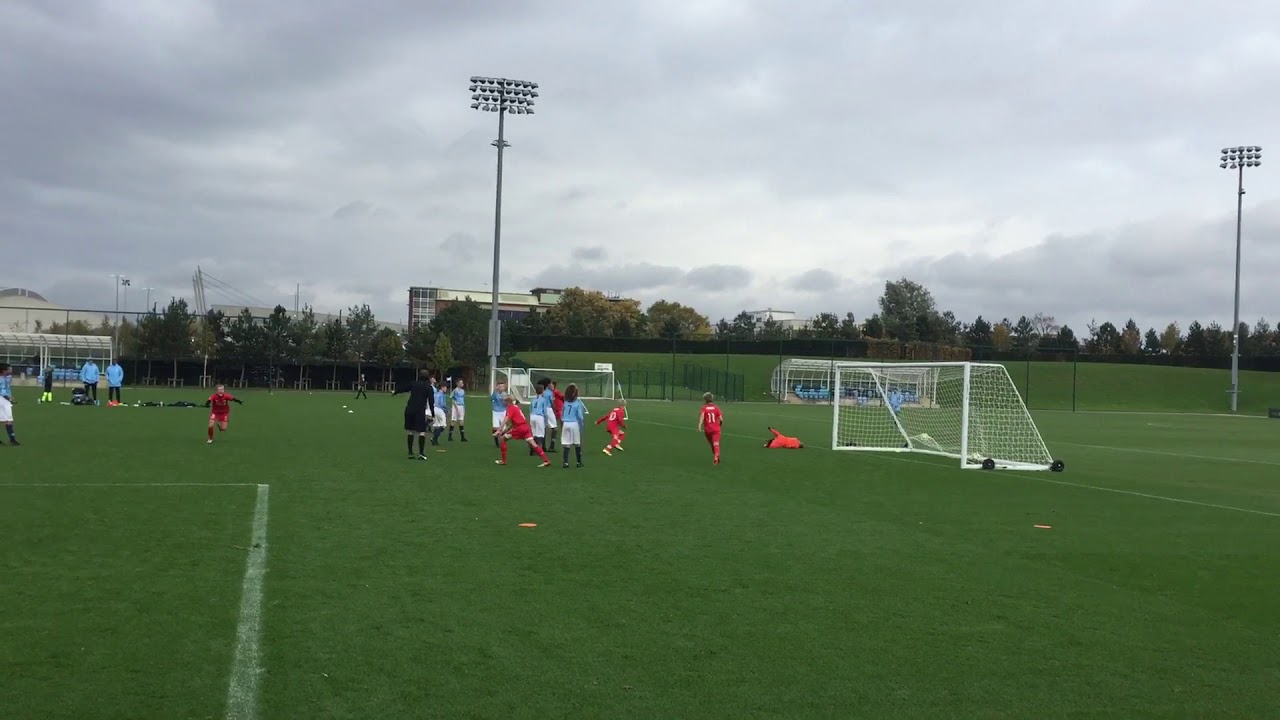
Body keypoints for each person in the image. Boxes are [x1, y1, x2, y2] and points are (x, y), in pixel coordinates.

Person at [493, 394, 551, 467]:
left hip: (519, 428)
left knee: (502, 439)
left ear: (508, 401)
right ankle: (546, 460)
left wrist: (499, 430)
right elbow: (512, 424)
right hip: (526, 427)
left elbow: (506, 419)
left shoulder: (510, 408)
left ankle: (503, 461)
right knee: (533, 444)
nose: (503, 402)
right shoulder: (516, 407)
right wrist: (503, 431)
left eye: (504, 401)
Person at [393, 369, 435, 459]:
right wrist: (433, 413)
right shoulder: (428, 387)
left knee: (411, 431)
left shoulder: (413, 384)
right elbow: (431, 401)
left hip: (409, 410)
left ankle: (410, 452)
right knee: (422, 431)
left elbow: (403, 388)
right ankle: (421, 453)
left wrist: (395, 392)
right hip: (419, 411)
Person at [558, 383, 586, 468]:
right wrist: (582, 426)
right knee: (577, 443)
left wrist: (562, 424)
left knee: (566, 444)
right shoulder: (578, 404)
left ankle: (565, 463)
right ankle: (578, 462)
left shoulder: (565, 403)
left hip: (566, 423)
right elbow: (580, 417)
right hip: (574, 424)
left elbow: (562, 415)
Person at [697, 392, 723, 465]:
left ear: (705, 400)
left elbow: (702, 417)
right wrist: (720, 425)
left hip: (708, 430)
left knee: (712, 444)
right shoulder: (717, 408)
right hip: (716, 429)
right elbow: (721, 419)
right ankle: (716, 456)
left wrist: (699, 426)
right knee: (716, 444)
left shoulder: (704, 408)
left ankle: (716, 456)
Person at [0, 363, 18, 446]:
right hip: (3, 400)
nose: (10, 370)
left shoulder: (4, 378)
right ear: (3, 371)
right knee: (9, 420)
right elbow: (3, 391)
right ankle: (12, 440)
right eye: (9, 369)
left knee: (2, 419)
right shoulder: (2, 380)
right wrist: (9, 398)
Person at [540, 379, 559, 451]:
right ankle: (552, 446)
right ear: (548, 384)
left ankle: (543, 446)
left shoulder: (542, 392)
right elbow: (552, 403)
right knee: (554, 428)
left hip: (542, 410)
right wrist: (555, 411)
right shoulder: (550, 393)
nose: (552, 384)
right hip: (548, 410)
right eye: (551, 383)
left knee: (544, 428)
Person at [529, 382, 549, 453]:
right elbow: (545, 412)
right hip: (539, 416)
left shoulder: (533, 400)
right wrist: (546, 421)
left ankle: (532, 448)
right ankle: (539, 450)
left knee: (534, 433)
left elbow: (530, 410)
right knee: (540, 434)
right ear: (543, 391)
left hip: (532, 416)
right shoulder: (543, 400)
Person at [489, 381, 508, 448]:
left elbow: (507, 403)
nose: (501, 388)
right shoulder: (495, 393)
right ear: (497, 387)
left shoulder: (505, 394)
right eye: (500, 386)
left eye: (502, 386)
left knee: (504, 428)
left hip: (503, 412)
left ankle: (503, 441)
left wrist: (505, 402)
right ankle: (497, 442)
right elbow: (491, 399)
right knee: (495, 427)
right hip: (496, 412)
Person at [431, 379, 448, 446]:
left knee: (437, 425)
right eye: (446, 387)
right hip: (439, 410)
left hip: (434, 409)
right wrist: (447, 409)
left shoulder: (436, 394)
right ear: (442, 387)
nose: (446, 389)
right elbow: (442, 404)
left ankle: (435, 441)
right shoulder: (442, 394)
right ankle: (434, 438)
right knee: (443, 426)